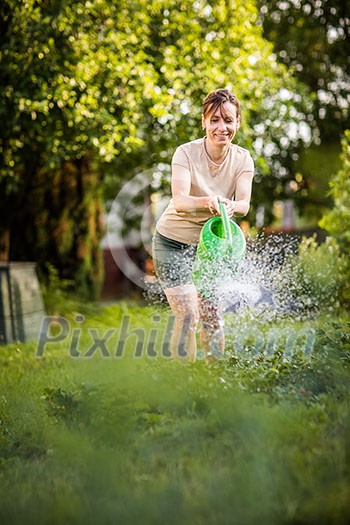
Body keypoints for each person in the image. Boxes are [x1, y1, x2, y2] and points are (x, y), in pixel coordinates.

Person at [152, 88, 254, 362]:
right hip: (172, 242)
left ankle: (213, 384)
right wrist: (209, 201)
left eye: (229, 120)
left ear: (238, 123)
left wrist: (232, 206)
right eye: (215, 120)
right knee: (187, 316)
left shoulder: (243, 159)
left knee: (212, 316)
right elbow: (181, 201)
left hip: (210, 250)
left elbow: (244, 203)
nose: (222, 127)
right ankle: (182, 387)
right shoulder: (185, 153)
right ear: (204, 121)